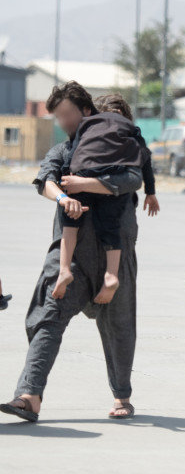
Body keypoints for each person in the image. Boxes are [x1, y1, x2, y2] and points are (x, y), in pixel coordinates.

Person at [0, 81, 142, 422]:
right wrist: (63, 197)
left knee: (119, 328)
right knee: (46, 318)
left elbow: (132, 180)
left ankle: (121, 395)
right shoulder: (64, 152)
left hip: (115, 258)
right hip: (69, 256)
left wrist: (84, 185)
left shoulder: (128, 158)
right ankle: (29, 396)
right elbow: (45, 179)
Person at [52, 110, 151, 303]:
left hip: (83, 176)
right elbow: (144, 163)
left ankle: (64, 270)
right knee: (111, 228)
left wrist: (68, 171)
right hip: (113, 184)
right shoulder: (131, 134)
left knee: (70, 223)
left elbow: (74, 153)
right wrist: (151, 192)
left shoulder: (89, 127)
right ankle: (111, 275)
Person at [94, 94, 160, 217]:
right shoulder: (91, 137)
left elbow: (145, 163)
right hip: (94, 199)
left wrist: (150, 192)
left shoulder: (132, 136)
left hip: (122, 200)